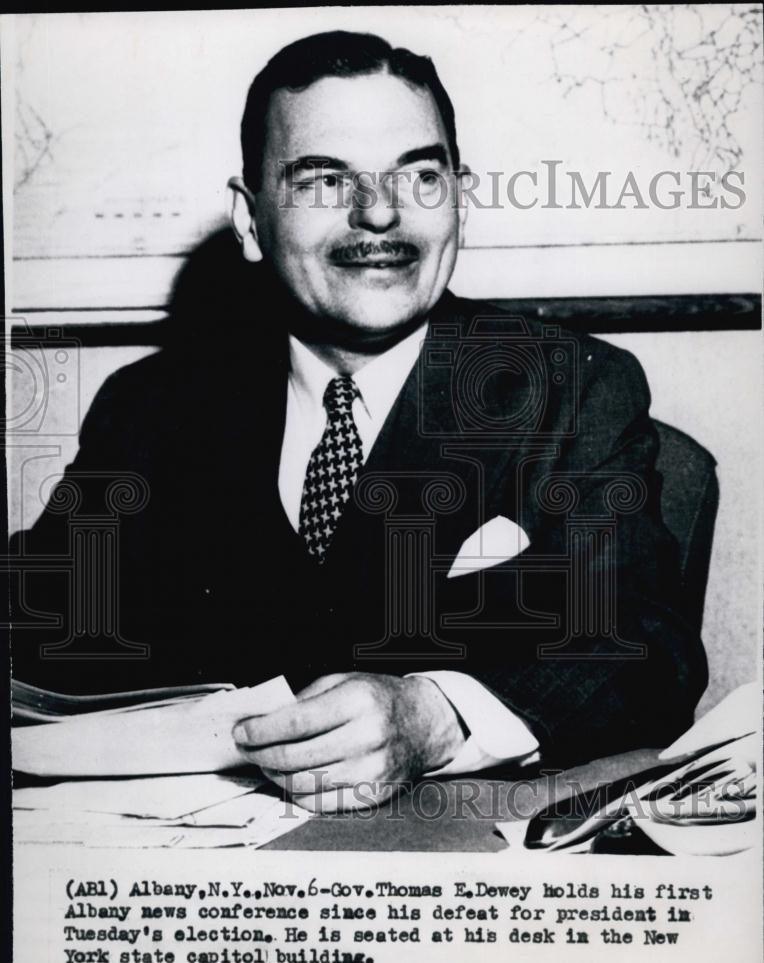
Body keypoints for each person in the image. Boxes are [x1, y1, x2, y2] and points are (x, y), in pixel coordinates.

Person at [10, 30, 708, 811]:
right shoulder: (153, 408)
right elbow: (41, 620)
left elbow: (648, 647)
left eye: (419, 173)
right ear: (250, 219)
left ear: (460, 196)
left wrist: (437, 717)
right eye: (322, 180)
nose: (380, 213)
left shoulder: (570, 391)